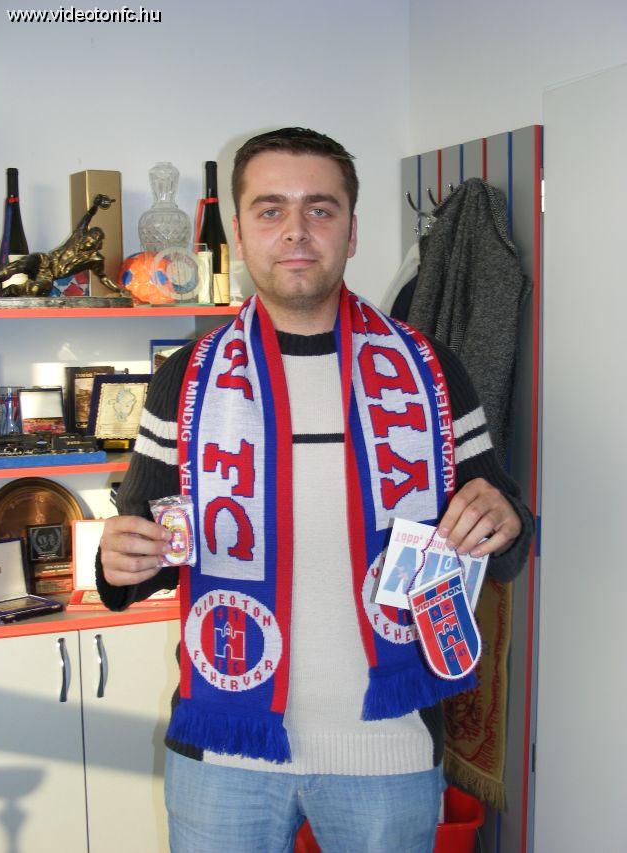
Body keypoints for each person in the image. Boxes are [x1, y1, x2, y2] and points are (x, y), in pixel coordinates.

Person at [98, 127, 533, 853]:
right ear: (240, 235)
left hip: (389, 750)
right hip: (224, 752)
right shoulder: (187, 379)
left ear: (352, 231)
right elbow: (147, 552)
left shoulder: (429, 370)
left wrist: (507, 520)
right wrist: (119, 563)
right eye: (270, 209)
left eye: (320, 209)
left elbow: (505, 537)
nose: (296, 230)